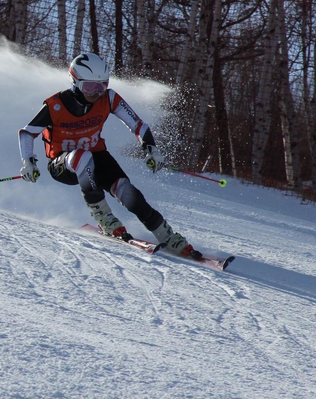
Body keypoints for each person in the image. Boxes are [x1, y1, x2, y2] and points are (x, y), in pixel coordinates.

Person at [17, 52, 196, 256]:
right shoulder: (55, 105)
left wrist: (151, 149)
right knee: (82, 157)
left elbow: (138, 125)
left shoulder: (108, 98)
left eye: (101, 86)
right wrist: (28, 162)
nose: (96, 93)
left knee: (126, 190)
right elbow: (27, 133)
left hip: (97, 157)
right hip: (62, 165)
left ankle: (166, 234)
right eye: (89, 87)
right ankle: (103, 217)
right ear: (75, 82)